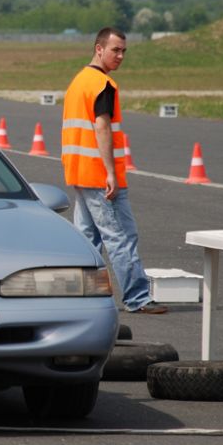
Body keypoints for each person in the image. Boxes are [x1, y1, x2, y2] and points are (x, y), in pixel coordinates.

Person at [61, 27, 165, 314]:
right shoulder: (101, 84)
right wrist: (110, 172)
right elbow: (102, 127)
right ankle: (137, 298)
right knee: (121, 235)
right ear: (98, 49)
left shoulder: (79, 81)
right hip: (98, 174)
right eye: (114, 50)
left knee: (87, 239)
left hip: (79, 172)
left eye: (123, 51)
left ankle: (78, 295)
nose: (120, 56)